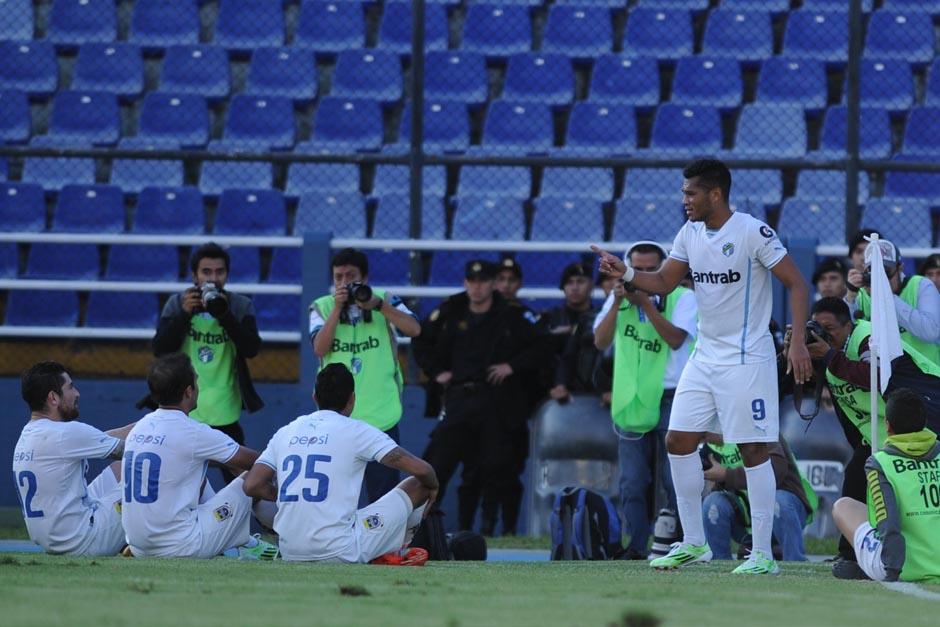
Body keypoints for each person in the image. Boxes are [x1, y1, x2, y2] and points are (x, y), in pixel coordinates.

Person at [593, 157, 812, 575]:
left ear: (715, 193)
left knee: (752, 449)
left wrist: (797, 341)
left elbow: (797, 283)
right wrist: (628, 273)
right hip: (705, 356)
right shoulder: (689, 233)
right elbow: (663, 281)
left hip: (748, 357)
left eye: (691, 192)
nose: (685, 200)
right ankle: (695, 543)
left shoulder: (751, 231)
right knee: (677, 441)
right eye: (683, 192)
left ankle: (763, 554)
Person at [796, 297, 940, 577]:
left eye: (830, 328)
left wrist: (828, 356)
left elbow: (874, 375)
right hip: (886, 432)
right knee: (856, 474)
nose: (824, 334)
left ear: (849, 325)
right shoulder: (830, 353)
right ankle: (854, 553)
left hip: (929, 408)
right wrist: (795, 350)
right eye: (816, 327)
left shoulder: (867, 336)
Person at [243, 363, 438, 564]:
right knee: (420, 484)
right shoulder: (357, 430)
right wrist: (433, 484)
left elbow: (251, 485)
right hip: (340, 550)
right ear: (352, 399)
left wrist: (285, 497)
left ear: (314, 397)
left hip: (290, 551)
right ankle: (396, 550)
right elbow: (421, 469)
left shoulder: (286, 431)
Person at [412, 259, 549, 535]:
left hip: (496, 400)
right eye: (472, 281)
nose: (477, 287)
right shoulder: (452, 309)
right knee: (438, 462)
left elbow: (543, 345)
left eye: (484, 281)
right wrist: (436, 372)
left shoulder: (511, 314)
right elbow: (420, 338)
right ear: (465, 283)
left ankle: (491, 529)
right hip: (459, 399)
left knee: (496, 467)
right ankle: (424, 526)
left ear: (492, 284)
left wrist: (512, 366)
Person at [593, 241, 697, 559]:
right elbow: (600, 341)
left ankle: (678, 542)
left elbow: (676, 339)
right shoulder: (618, 296)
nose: (644, 274)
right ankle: (636, 546)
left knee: (672, 476)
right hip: (633, 398)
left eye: (653, 269)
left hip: (672, 395)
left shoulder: (684, 297)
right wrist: (617, 303)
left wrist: (649, 305)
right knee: (632, 481)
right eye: (639, 268)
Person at [121, 353, 278, 559]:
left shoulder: (139, 428)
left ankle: (243, 543)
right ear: (188, 392)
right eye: (196, 380)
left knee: (196, 474)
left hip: (140, 545)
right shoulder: (193, 432)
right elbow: (257, 462)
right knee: (252, 477)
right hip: (181, 545)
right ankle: (283, 534)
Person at [309, 248, 420, 504]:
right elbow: (318, 348)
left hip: (381, 414)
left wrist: (378, 305)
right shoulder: (322, 306)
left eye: (351, 276)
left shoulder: (384, 299)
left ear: (365, 278)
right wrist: (337, 309)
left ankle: (383, 544)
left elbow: (413, 329)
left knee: (383, 496)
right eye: (338, 277)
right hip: (337, 417)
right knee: (333, 493)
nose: (344, 283)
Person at [151, 242, 263, 483]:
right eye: (206, 272)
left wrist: (224, 314)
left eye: (219, 272)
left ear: (227, 274)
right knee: (177, 481)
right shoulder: (177, 303)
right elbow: (159, 349)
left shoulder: (240, 305)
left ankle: (253, 520)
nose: (213, 279)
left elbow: (251, 349)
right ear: (194, 276)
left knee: (242, 484)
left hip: (225, 412)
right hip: (183, 412)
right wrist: (184, 315)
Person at [12, 361, 135, 556]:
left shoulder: (30, 433)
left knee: (119, 468)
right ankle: (161, 542)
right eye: (70, 387)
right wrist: (167, 424)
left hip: (57, 538)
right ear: (53, 397)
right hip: (84, 540)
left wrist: (154, 421)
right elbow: (137, 450)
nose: (77, 393)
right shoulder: (65, 433)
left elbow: (98, 438)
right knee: (149, 467)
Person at [832, 388, 940, 582]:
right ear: (924, 423)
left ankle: (869, 567)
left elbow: (888, 522)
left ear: (888, 426)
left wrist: (891, 571)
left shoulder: (881, 462)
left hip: (901, 567)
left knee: (843, 506)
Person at [701, 433, 816, 562]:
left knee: (777, 501)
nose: (703, 436)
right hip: (748, 514)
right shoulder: (709, 448)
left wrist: (727, 475)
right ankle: (720, 565)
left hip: (787, 509)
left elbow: (776, 471)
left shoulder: (761, 428)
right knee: (712, 503)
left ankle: (795, 562)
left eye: (705, 432)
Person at [845, 238, 940, 365]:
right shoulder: (862, 293)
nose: (880, 278)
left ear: (900, 268)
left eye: (885, 271)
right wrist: (849, 298)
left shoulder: (921, 285)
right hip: (881, 373)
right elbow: (845, 338)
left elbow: (931, 332)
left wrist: (886, 298)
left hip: (923, 373)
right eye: (873, 271)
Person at [545, 262, 602, 403]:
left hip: (592, 390)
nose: (575, 287)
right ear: (563, 287)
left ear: (591, 285)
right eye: (570, 282)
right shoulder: (548, 318)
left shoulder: (601, 318)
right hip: (553, 389)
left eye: (580, 282)